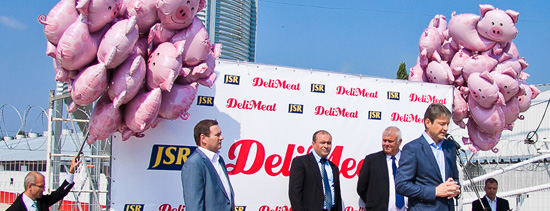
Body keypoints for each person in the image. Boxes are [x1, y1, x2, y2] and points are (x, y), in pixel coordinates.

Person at [395, 103, 461, 211]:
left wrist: (456, 189)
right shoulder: (413, 149)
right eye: (441, 124)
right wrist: (434, 191)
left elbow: (455, 179)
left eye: (447, 124)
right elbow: (402, 185)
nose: (446, 128)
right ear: (428, 123)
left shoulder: (450, 147)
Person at [181, 119, 234, 211]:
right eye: (217, 135)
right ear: (203, 139)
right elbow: (194, 205)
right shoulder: (194, 163)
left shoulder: (219, 160)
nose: (221, 138)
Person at [289, 130, 342, 211]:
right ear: (313, 144)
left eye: (329, 143)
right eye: (322, 142)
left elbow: (337, 195)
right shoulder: (301, 162)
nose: (326, 146)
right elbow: (295, 193)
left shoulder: (333, 167)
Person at [357, 126, 408, 211]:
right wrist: (374, 203)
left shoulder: (409, 160)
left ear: (399, 142)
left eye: (390, 141)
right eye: (384, 140)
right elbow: (361, 188)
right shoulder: (371, 160)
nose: (386, 144)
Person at [7, 156, 81, 211]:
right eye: (41, 187)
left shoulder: (42, 201)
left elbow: (60, 193)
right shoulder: (16, 208)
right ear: (30, 186)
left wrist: (71, 171)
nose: (43, 189)